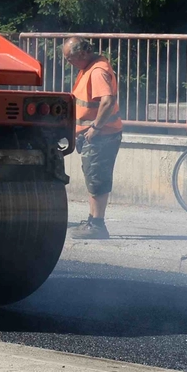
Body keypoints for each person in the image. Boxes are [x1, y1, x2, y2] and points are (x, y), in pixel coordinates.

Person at [64, 37, 122, 239]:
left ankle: (97, 225)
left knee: (97, 178)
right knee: (93, 176)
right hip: (98, 135)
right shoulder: (91, 67)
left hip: (101, 135)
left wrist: (95, 128)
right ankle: (92, 220)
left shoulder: (97, 71)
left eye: (70, 58)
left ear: (82, 54)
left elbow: (107, 101)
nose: (68, 62)